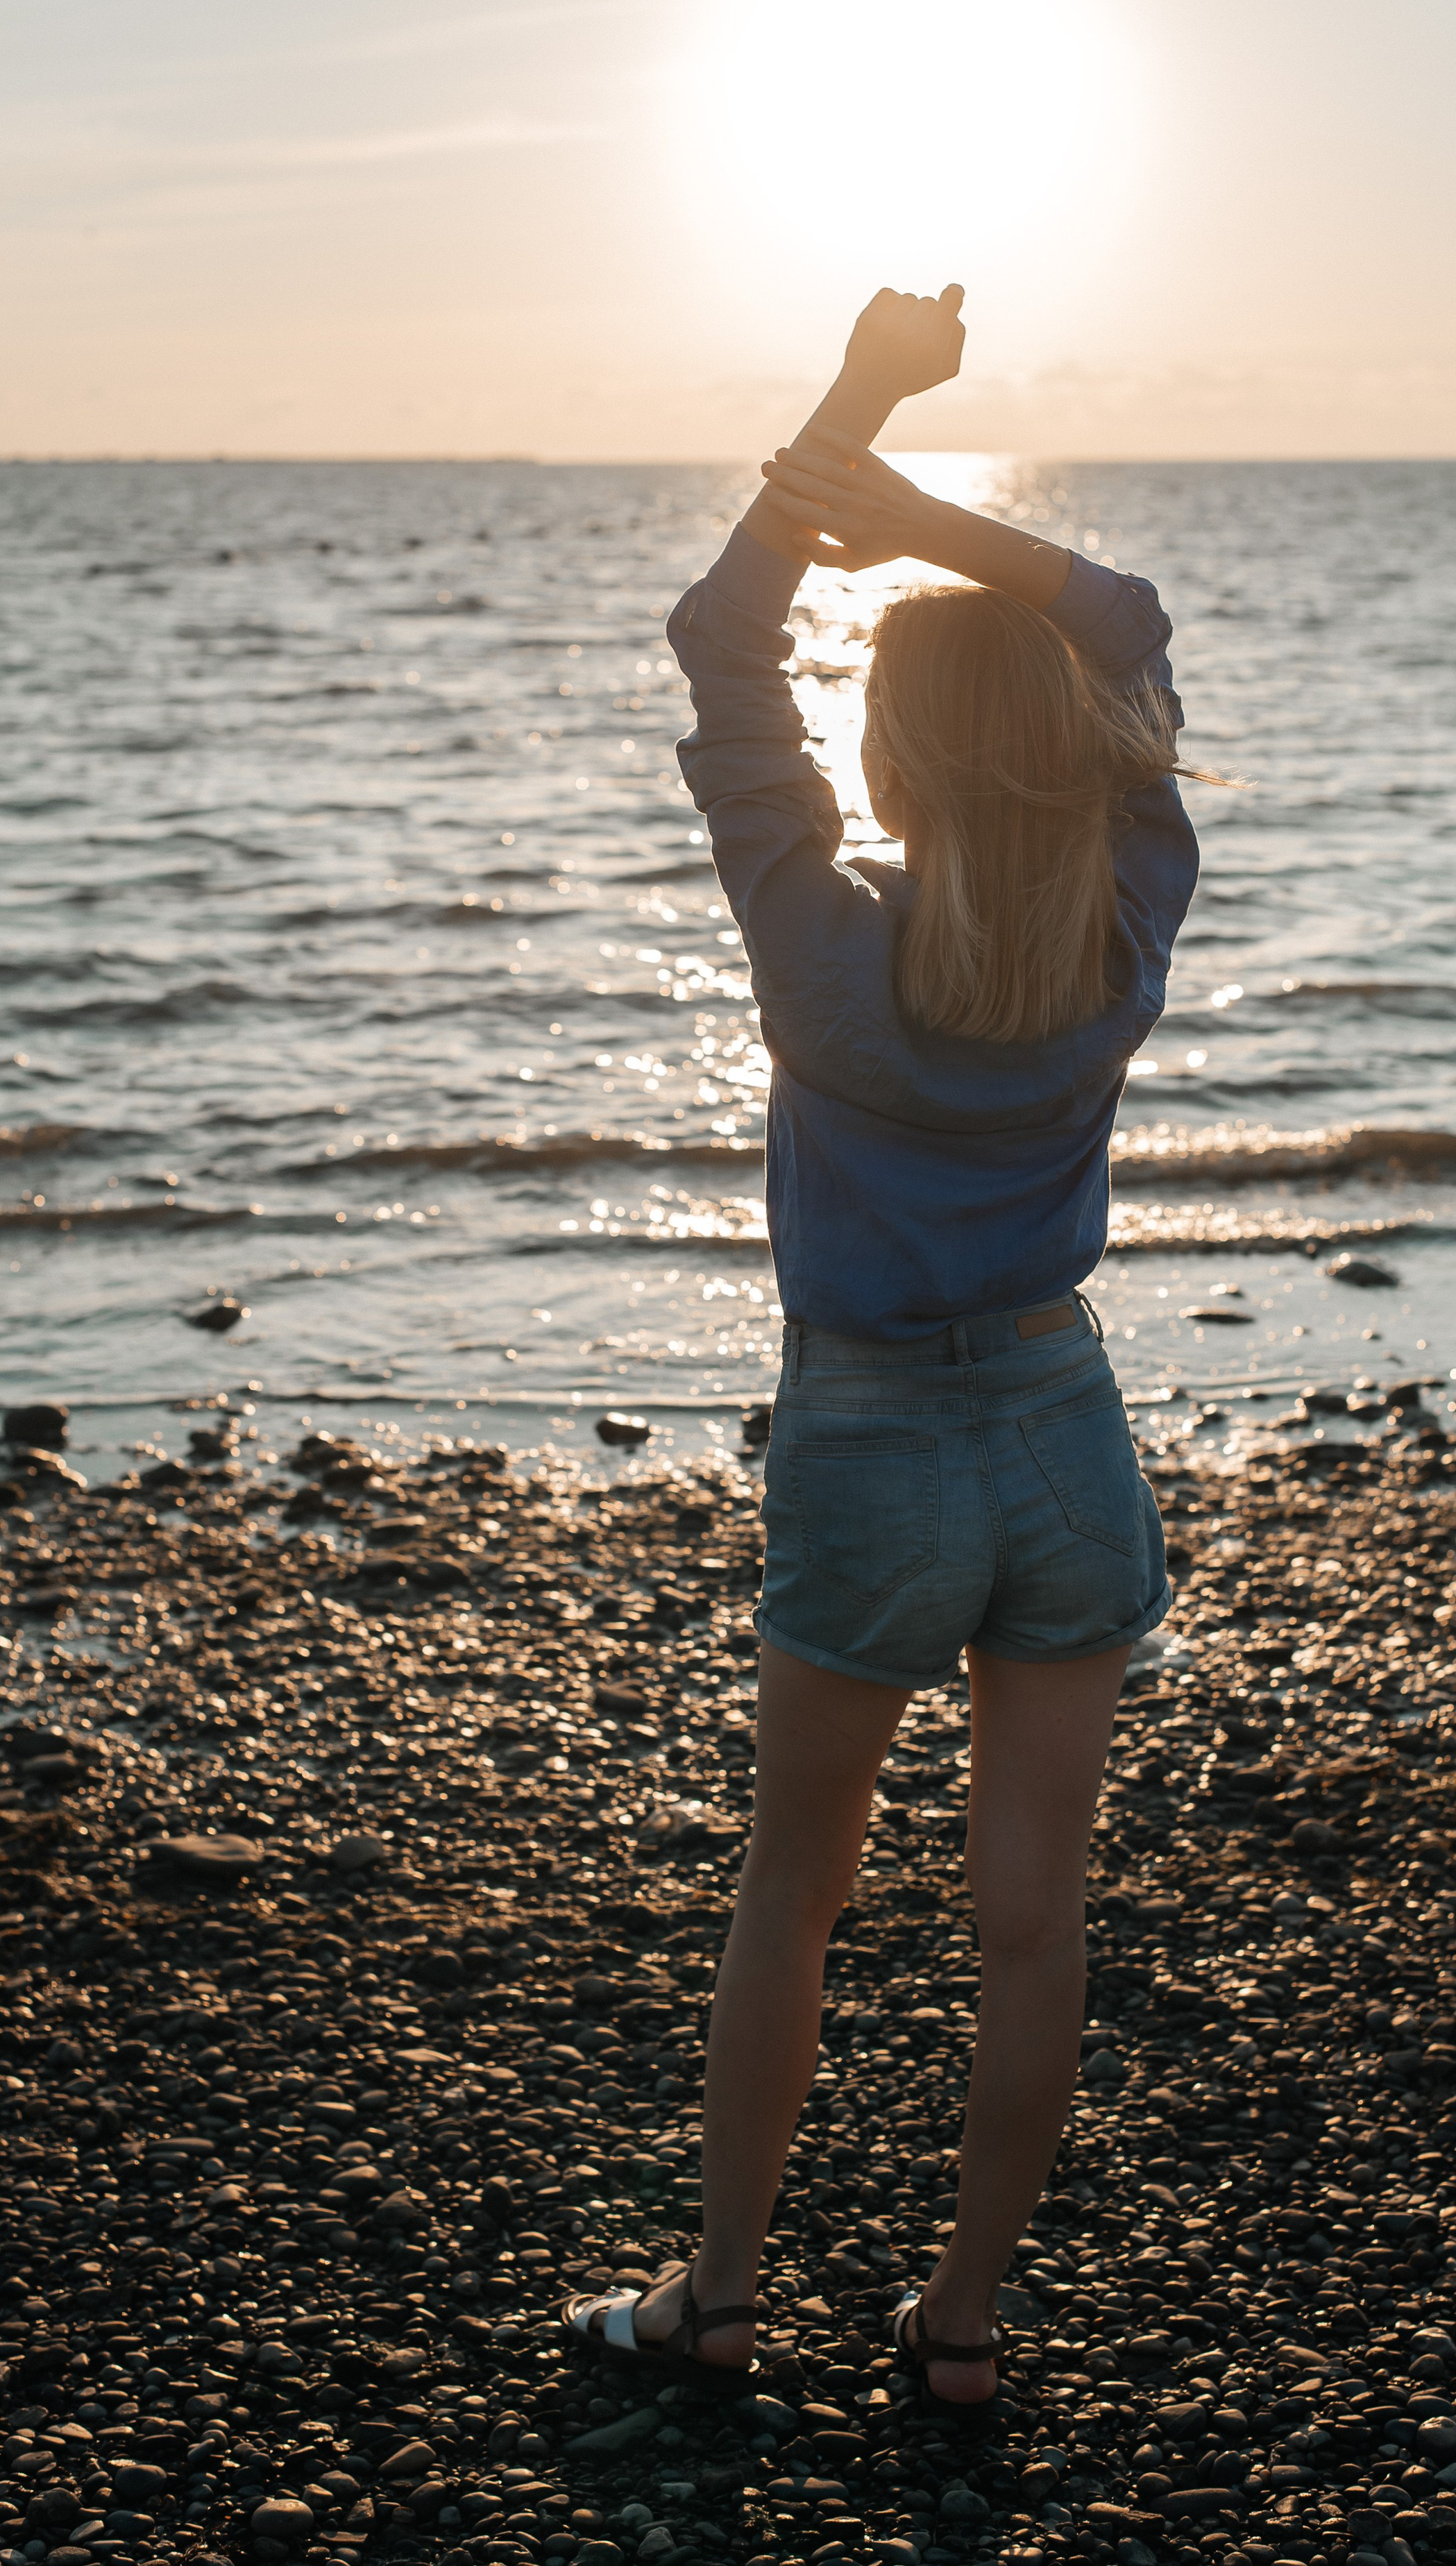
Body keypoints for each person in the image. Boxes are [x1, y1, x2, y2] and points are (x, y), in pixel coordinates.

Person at [561, 285, 1202, 2415]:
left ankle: (723, 2300)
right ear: (1074, 753)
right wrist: (934, 515)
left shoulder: (823, 949)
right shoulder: (1127, 913)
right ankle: (961, 2332)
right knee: (1036, 1918)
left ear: (895, 761)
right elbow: (1126, 612)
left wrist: (852, 402)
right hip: (1062, 1423)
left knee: (800, 1888)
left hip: (869, 1436)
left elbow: (715, 645)